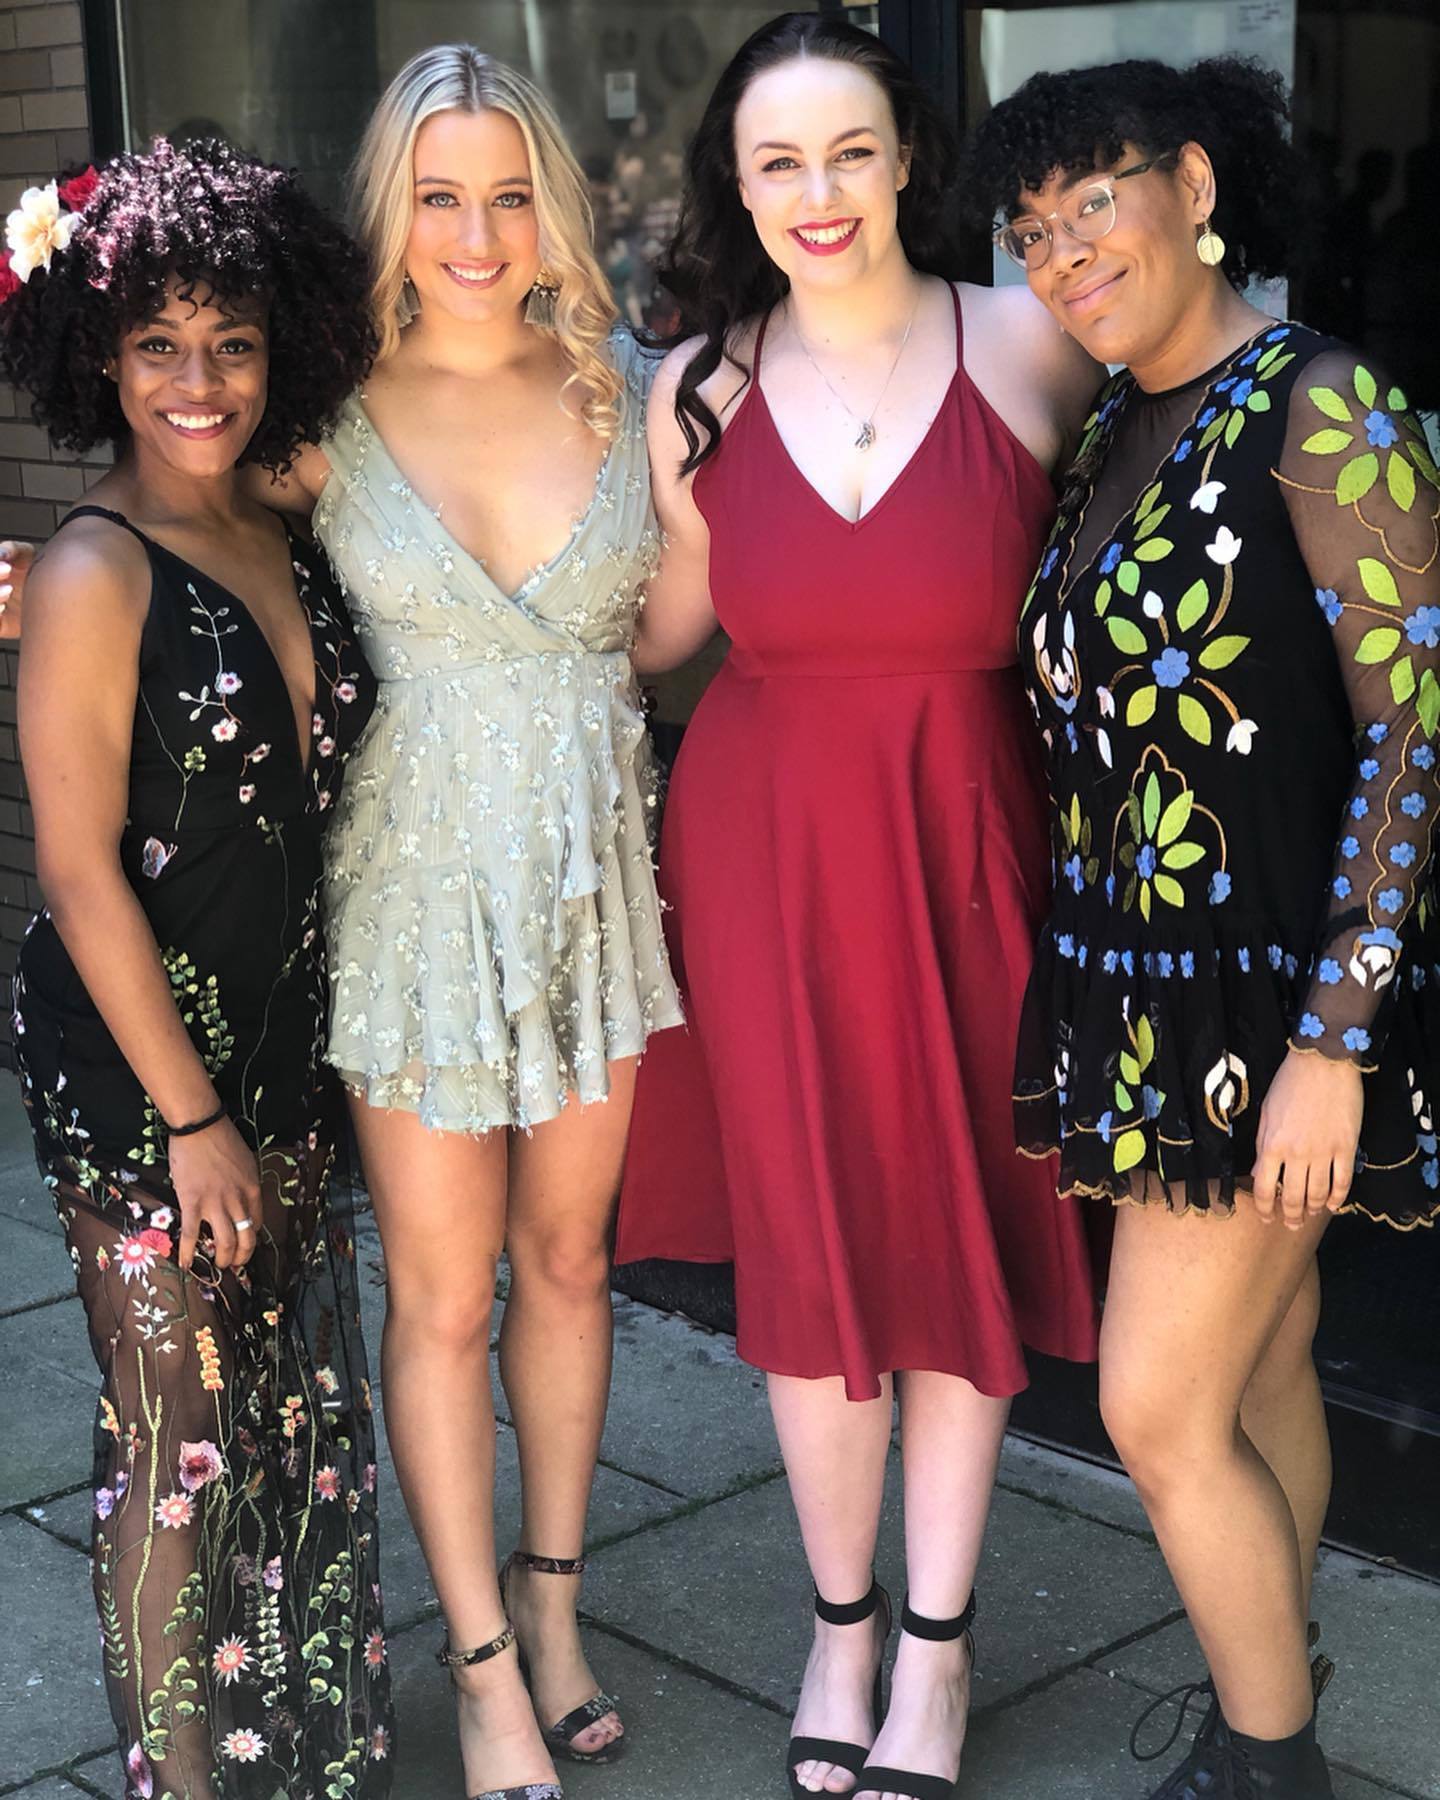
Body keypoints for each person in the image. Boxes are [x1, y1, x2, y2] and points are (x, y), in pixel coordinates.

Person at [615, 17, 1101, 1800]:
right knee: (814, 1249)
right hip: (765, 866)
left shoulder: (1032, 341)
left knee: (955, 1235)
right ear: (737, 187)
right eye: (777, 162)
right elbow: (655, 633)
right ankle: (841, 1628)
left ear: (906, 159)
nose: (816, 193)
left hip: (969, 855)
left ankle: (939, 1657)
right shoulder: (696, 385)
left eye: (847, 152)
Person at [967, 55, 1440, 1800]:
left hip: (1272, 1009)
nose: (1065, 255)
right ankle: (1273, 1677)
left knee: (1157, 1410)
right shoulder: (1113, 423)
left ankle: (1269, 1765)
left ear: (1194, 183)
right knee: (1257, 1372)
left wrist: (1336, 1041)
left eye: (1095, 204)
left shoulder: (1324, 404)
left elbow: (1414, 733)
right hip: (1145, 988)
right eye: (1033, 232)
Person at [255, 45, 682, 1800]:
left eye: (510, 194)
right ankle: (484, 1666)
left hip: (592, 889)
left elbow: (681, 628)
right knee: (440, 1295)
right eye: (439, 197)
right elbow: (182, 552)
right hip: (412, 898)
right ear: (391, 211)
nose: (479, 233)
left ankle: (555, 1607)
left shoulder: (632, 390)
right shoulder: (318, 416)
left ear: (552, 206)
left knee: (570, 1265)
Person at [1, 140, 393, 1796]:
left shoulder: (276, 513)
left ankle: (301, 1754)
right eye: (158, 344)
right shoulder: (95, 569)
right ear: (99, 354)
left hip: (285, 1040)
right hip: (146, 1081)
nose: (198, 381)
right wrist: (190, 1121)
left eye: (233, 341)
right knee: (183, 1432)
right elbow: (77, 874)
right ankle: (185, 1779)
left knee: (292, 1416)